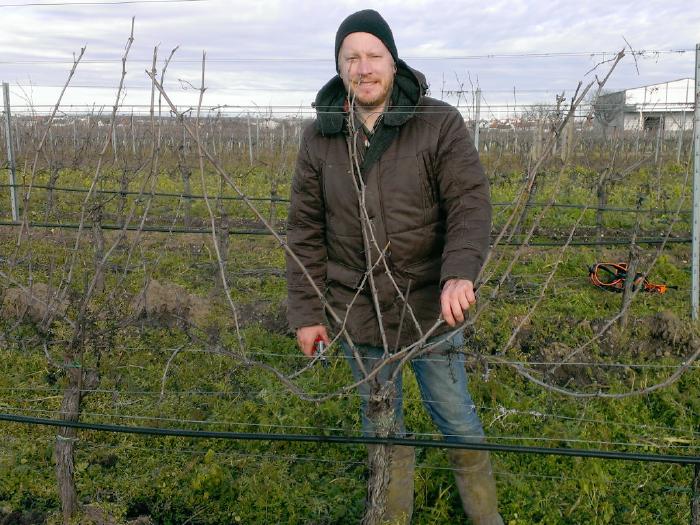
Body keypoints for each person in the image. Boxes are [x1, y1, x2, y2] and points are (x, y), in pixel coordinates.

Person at [286, 9, 503, 525]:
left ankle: (485, 516)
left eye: (373, 55)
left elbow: (469, 202)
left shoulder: (437, 121)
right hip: (357, 309)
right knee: (381, 423)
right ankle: (389, 515)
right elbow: (305, 231)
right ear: (339, 66)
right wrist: (307, 312)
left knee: (457, 417)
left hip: (430, 307)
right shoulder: (320, 136)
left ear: (393, 58)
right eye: (351, 58)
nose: (363, 68)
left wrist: (459, 272)